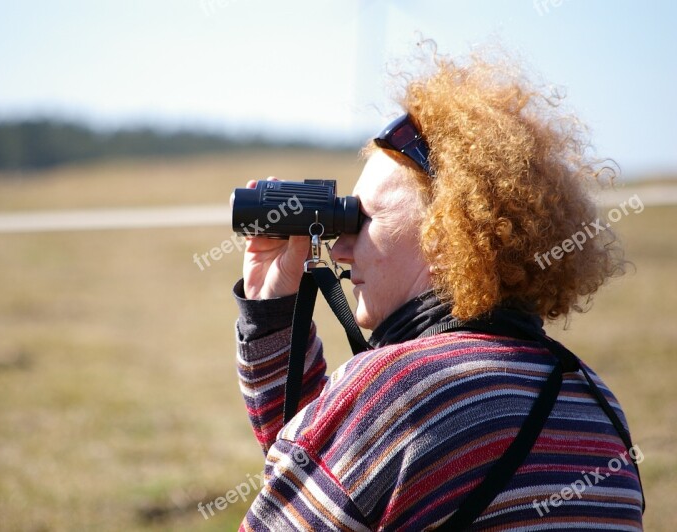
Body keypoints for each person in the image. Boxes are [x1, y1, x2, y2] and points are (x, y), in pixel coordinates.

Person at [232, 49, 644, 530]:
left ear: (450, 235)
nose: (341, 249)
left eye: (362, 220)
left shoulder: (396, 394)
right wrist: (272, 311)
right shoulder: (595, 402)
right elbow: (322, 482)